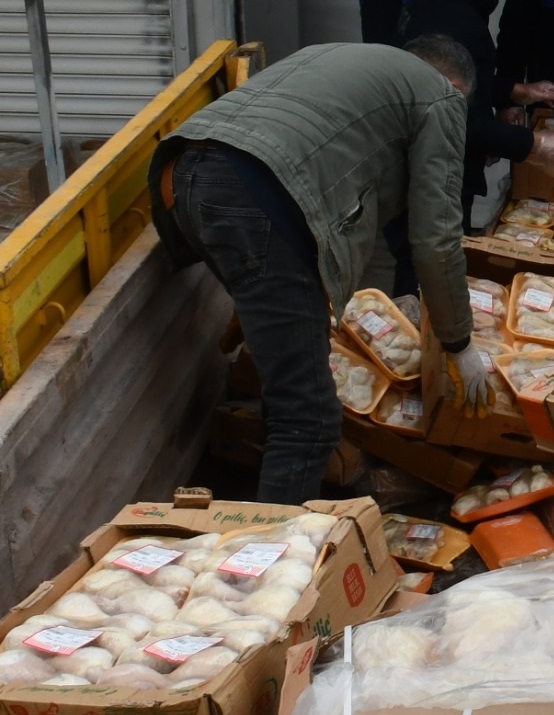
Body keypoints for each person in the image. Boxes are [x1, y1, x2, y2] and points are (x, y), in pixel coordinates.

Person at [149, 40, 494, 505]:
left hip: (183, 177)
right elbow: (436, 239)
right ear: (455, 87)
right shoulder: (440, 97)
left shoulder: (345, 57)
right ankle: (271, 566)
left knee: (293, 384)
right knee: (310, 420)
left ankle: (267, 508)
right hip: (259, 198)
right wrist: (459, 342)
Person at [400, 0, 554, 217]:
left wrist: (518, 91)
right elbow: (463, 121)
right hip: (435, 176)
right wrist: (535, 143)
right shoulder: (457, 21)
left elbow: (456, 84)